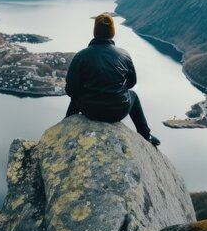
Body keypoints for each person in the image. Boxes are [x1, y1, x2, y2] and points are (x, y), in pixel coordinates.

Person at [65, 13, 161, 147]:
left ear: (95, 32)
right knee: (134, 96)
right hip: (117, 110)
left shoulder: (81, 56)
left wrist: (88, 89)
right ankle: (146, 134)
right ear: (112, 33)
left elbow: (71, 90)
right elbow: (132, 83)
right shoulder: (124, 55)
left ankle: (65, 129)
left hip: (89, 109)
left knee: (76, 96)